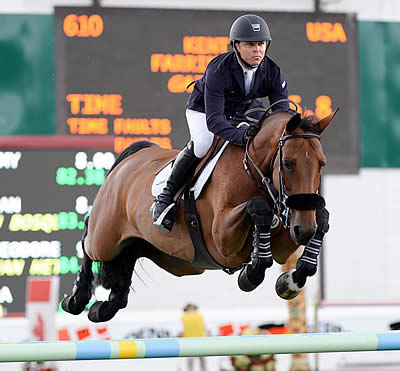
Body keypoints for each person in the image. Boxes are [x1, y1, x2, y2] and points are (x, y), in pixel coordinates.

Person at [151, 14, 290, 232]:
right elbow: (215, 122)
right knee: (203, 143)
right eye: (250, 44)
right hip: (204, 110)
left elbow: (282, 113)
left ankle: (278, 203)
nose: (257, 50)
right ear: (235, 46)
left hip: (245, 110)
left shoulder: (272, 71)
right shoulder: (218, 70)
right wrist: (240, 135)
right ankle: (165, 196)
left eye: (261, 44)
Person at [179, 303, 207, 371]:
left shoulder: (182, 317)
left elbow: (180, 331)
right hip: (201, 341)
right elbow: (206, 329)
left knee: (190, 363)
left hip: (189, 343)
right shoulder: (200, 316)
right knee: (203, 362)